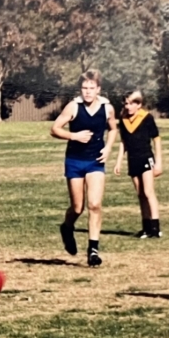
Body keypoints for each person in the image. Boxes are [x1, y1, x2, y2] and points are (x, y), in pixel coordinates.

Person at [49, 69, 117, 267]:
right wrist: (74, 136)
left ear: (98, 89)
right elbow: (54, 129)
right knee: (77, 207)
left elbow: (113, 129)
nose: (87, 92)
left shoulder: (107, 108)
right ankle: (67, 227)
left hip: (96, 161)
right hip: (75, 161)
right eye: (84, 88)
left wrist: (108, 147)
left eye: (91, 88)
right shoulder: (73, 107)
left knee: (94, 204)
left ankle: (93, 250)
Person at [113, 91, 164, 238]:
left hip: (146, 157)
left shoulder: (146, 118)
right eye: (126, 103)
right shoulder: (123, 120)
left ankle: (155, 228)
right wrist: (118, 162)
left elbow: (156, 139)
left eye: (131, 103)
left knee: (148, 192)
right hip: (133, 159)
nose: (127, 107)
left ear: (139, 105)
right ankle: (146, 227)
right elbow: (124, 142)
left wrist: (158, 162)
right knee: (140, 194)